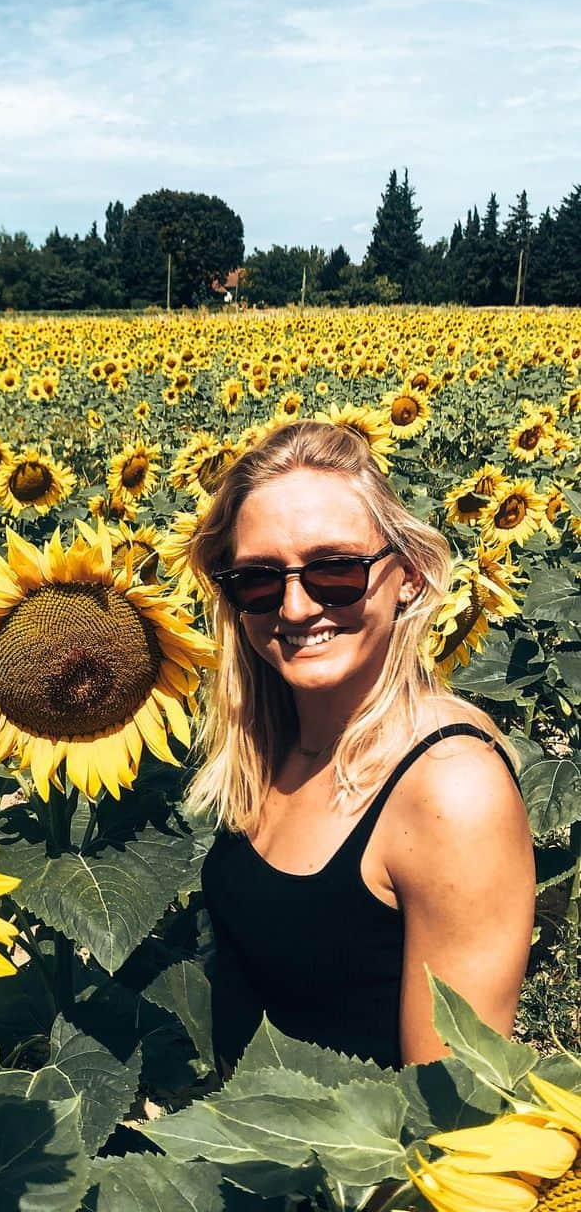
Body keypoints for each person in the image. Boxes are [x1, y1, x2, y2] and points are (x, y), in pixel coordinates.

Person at [188, 419, 534, 1072]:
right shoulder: (274, 744)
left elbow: (451, 1112)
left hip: (350, 1174)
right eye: (259, 580)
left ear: (406, 575)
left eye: (335, 571)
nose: (294, 607)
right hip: (237, 1159)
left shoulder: (449, 789)